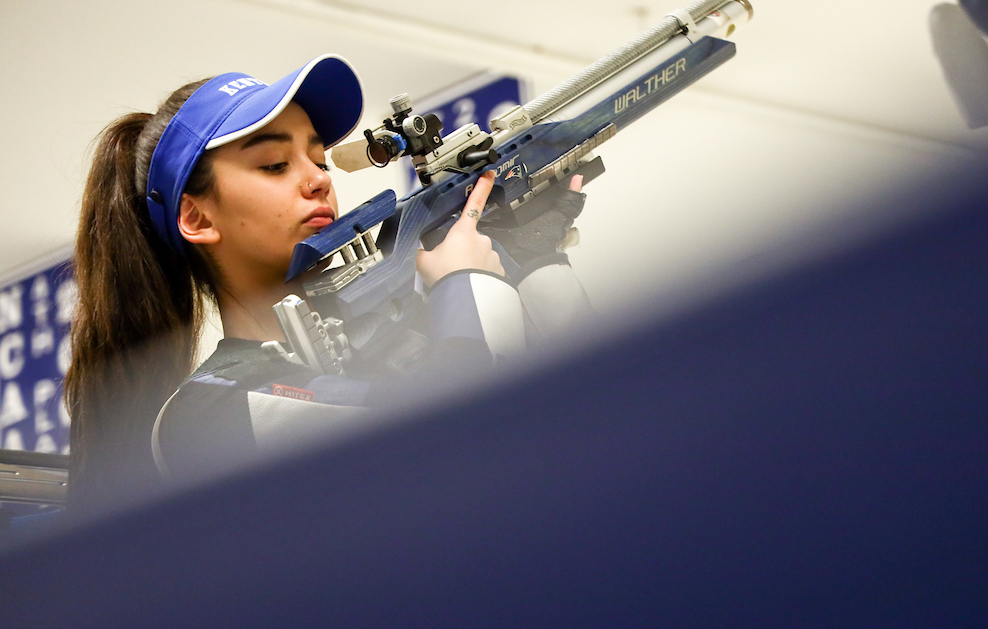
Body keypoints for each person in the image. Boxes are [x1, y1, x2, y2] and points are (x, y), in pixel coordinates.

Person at [65, 54, 594, 508]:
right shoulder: (211, 410)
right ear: (197, 218)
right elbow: (458, 450)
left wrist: (537, 266)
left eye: (319, 160)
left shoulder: (401, 331)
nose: (318, 178)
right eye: (275, 165)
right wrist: (467, 283)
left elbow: (588, 426)